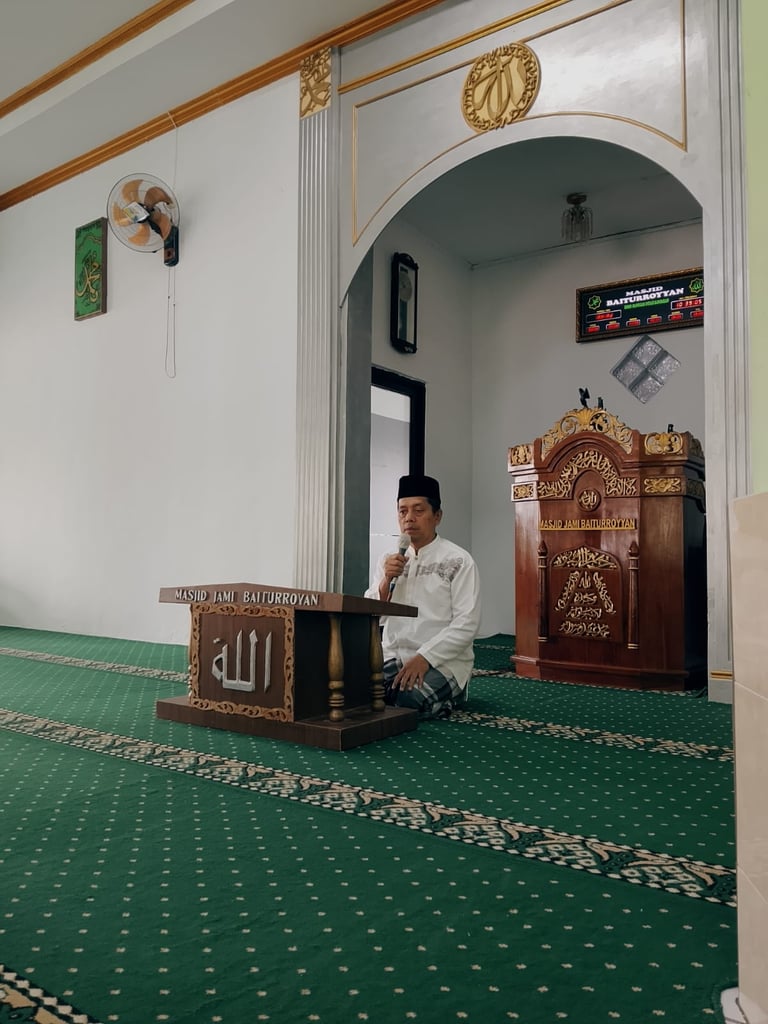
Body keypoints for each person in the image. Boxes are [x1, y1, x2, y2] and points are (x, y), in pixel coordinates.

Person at [365, 474, 481, 719]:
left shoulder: (458, 560)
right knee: (352, 691)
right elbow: (372, 613)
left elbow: (467, 624)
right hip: (393, 656)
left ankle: (453, 692)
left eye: (418, 510)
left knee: (409, 699)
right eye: (402, 511)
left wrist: (425, 658)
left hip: (441, 659)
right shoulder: (388, 560)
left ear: (437, 516)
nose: (409, 518)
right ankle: (403, 693)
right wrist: (386, 580)